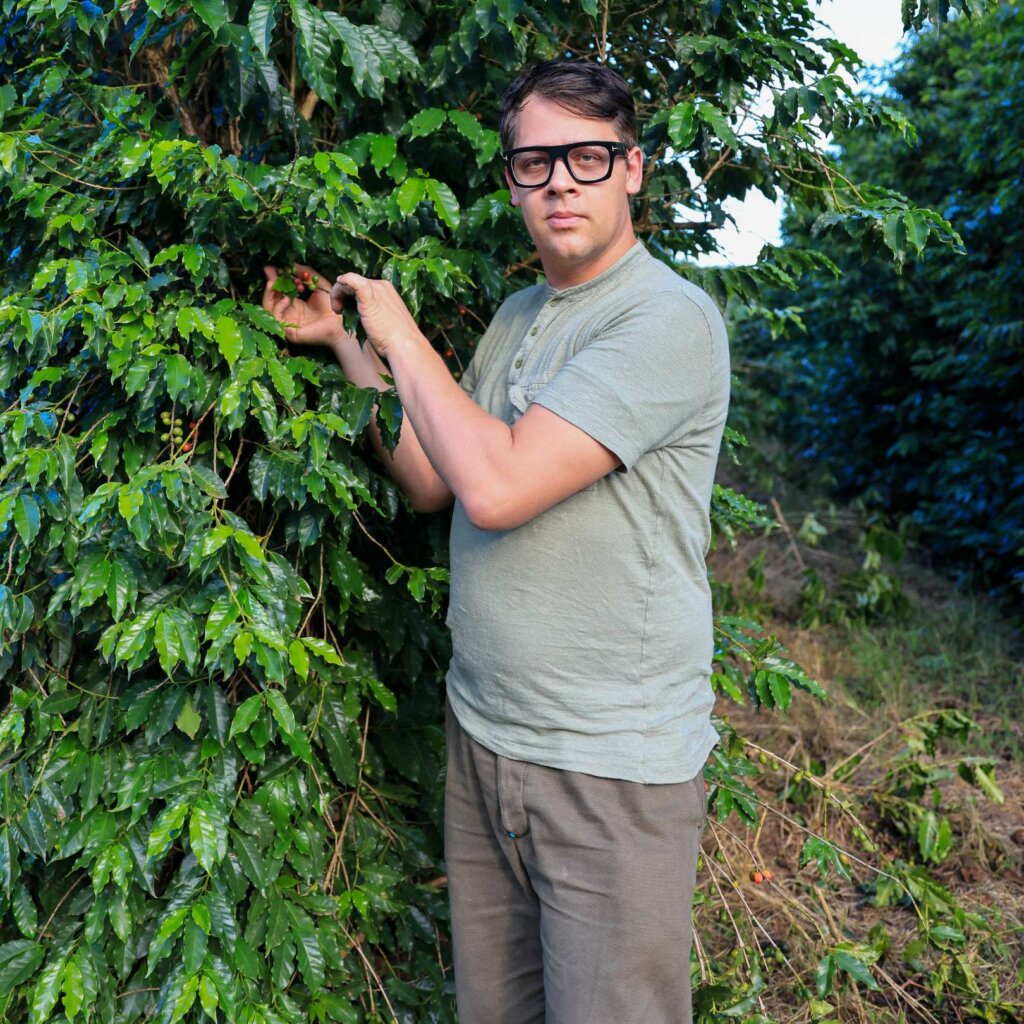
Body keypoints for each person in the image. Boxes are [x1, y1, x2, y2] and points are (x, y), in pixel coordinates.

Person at [262, 59, 729, 1024]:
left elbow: (501, 484)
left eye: (587, 157)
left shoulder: (667, 322)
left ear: (632, 171)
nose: (560, 181)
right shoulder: (520, 318)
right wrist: (348, 345)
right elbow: (439, 476)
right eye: (535, 162)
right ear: (512, 178)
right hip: (485, 741)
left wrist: (398, 330)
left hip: (610, 771)